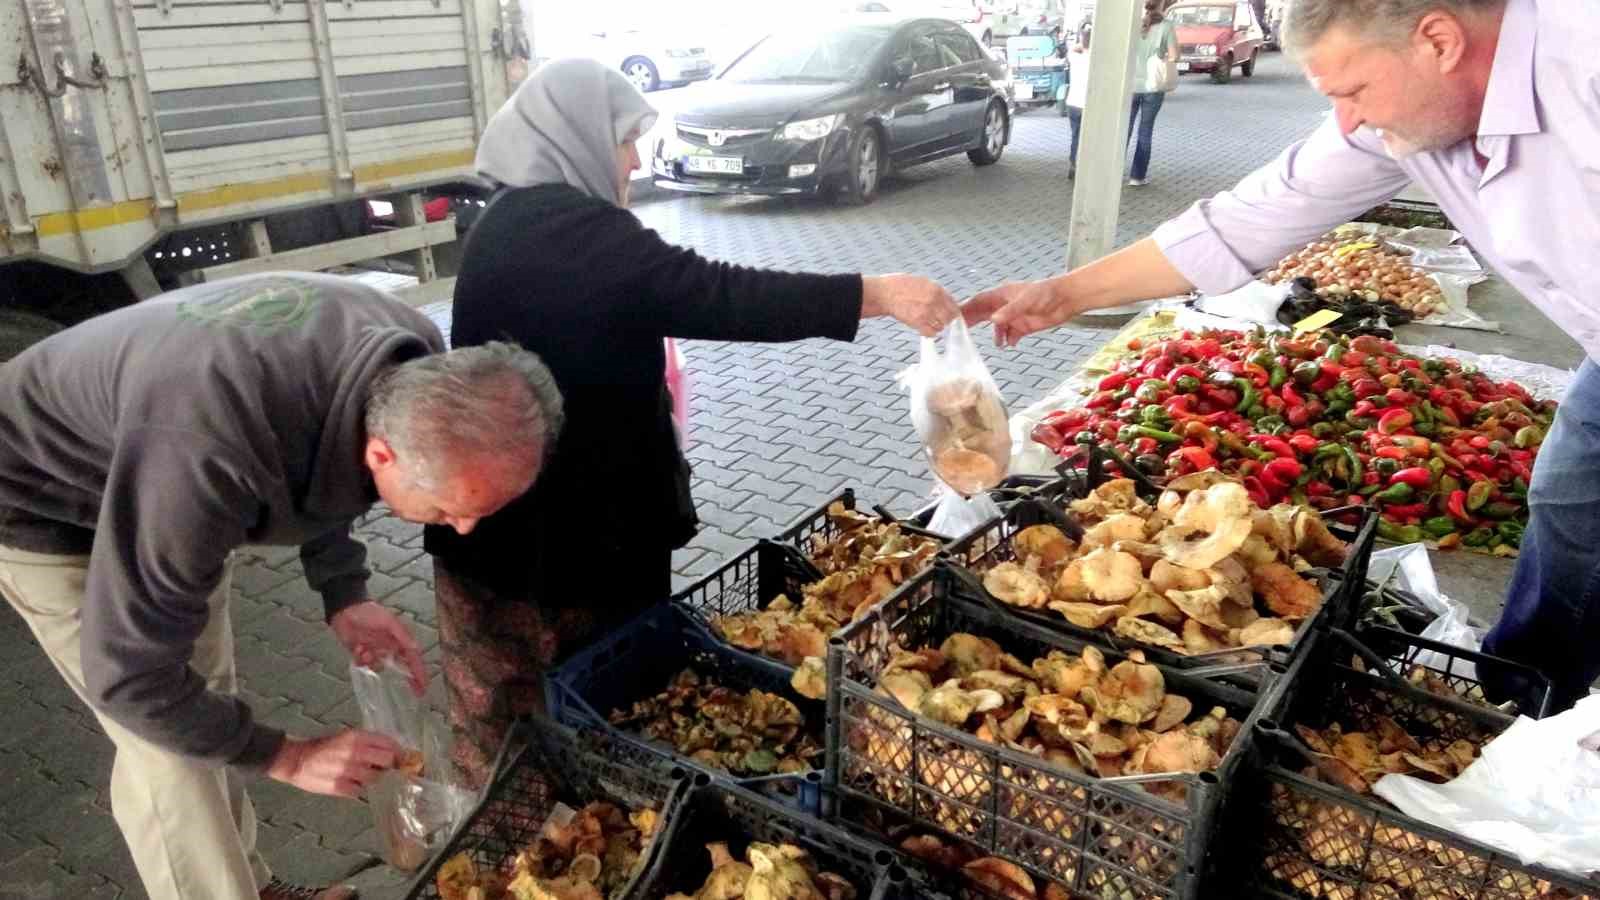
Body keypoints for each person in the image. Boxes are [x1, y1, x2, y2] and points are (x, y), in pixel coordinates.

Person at [965, 0, 1600, 714]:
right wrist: (1063, 294)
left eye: (1353, 92)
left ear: (1439, 40)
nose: (1351, 121)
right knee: (1568, 503)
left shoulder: (1583, 66)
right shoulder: (1396, 119)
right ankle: (1526, 701)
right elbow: (1249, 215)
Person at [422, 57, 964, 788]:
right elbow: (719, 294)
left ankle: (516, 832)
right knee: (599, 711)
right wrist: (877, 293)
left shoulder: (505, 223)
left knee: (503, 727)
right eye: (624, 139)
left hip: (495, 536)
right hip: (572, 548)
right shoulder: (576, 231)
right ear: (576, 134)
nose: (636, 158)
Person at [0, 273, 564, 900]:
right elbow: (129, 678)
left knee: (205, 704)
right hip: (43, 499)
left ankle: (250, 885)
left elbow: (320, 445)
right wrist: (288, 757)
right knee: (169, 745)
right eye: (447, 508)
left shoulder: (412, 359)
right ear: (384, 455)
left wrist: (344, 592)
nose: (463, 529)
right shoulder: (209, 454)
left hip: (164, 471)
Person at [1128, 0, 1179, 186]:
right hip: (1153, 86)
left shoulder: (1133, 24)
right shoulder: (1166, 26)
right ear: (1162, 4)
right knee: (1145, 131)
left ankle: (1114, 173)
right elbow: (1175, 56)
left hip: (1130, 85)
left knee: (1124, 130)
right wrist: (1162, 55)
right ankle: (1137, 176)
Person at [1064, 24, 1093, 178]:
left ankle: (1074, 164)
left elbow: (1073, 49)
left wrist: (1082, 43)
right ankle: (1087, 166)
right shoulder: (1097, 62)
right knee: (1089, 137)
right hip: (1090, 105)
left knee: (1076, 135)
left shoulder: (1075, 57)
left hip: (1073, 103)